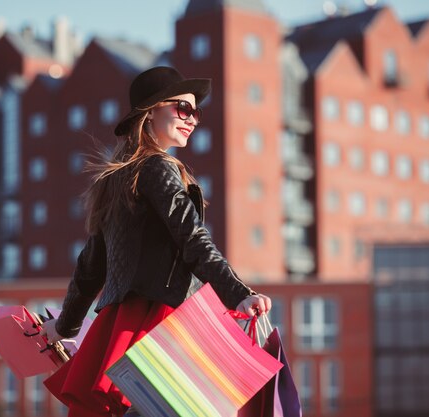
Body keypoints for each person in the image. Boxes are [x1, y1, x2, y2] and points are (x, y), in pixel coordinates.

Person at [41, 66, 272, 417]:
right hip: (160, 319)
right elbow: (192, 238)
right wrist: (239, 293)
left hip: (124, 322)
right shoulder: (157, 168)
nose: (192, 119)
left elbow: (91, 266)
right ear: (150, 112)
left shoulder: (117, 180)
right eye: (183, 108)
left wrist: (64, 326)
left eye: (196, 112)